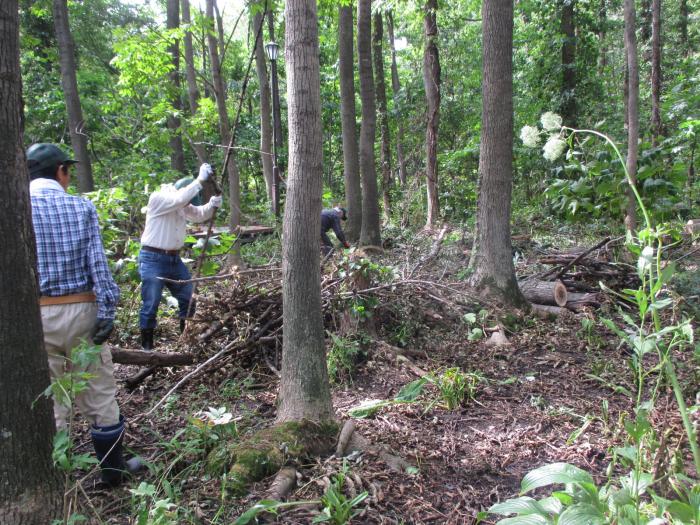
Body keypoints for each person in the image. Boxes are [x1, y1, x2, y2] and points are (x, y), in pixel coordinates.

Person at [28, 143, 138, 486]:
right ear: (61, 170)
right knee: (99, 391)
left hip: (32, 315)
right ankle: (113, 471)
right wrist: (107, 310)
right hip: (81, 309)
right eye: (68, 171)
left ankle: (52, 480)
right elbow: (98, 266)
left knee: (48, 397)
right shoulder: (80, 207)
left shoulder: (13, 208)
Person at [138, 163, 222, 349]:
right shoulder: (159, 199)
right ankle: (147, 348)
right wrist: (200, 180)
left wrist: (211, 205)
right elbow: (179, 199)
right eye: (187, 199)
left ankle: (185, 341)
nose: (188, 205)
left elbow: (198, 214)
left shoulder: (182, 204)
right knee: (151, 303)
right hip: (153, 258)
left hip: (174, 260)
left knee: (189, 298)